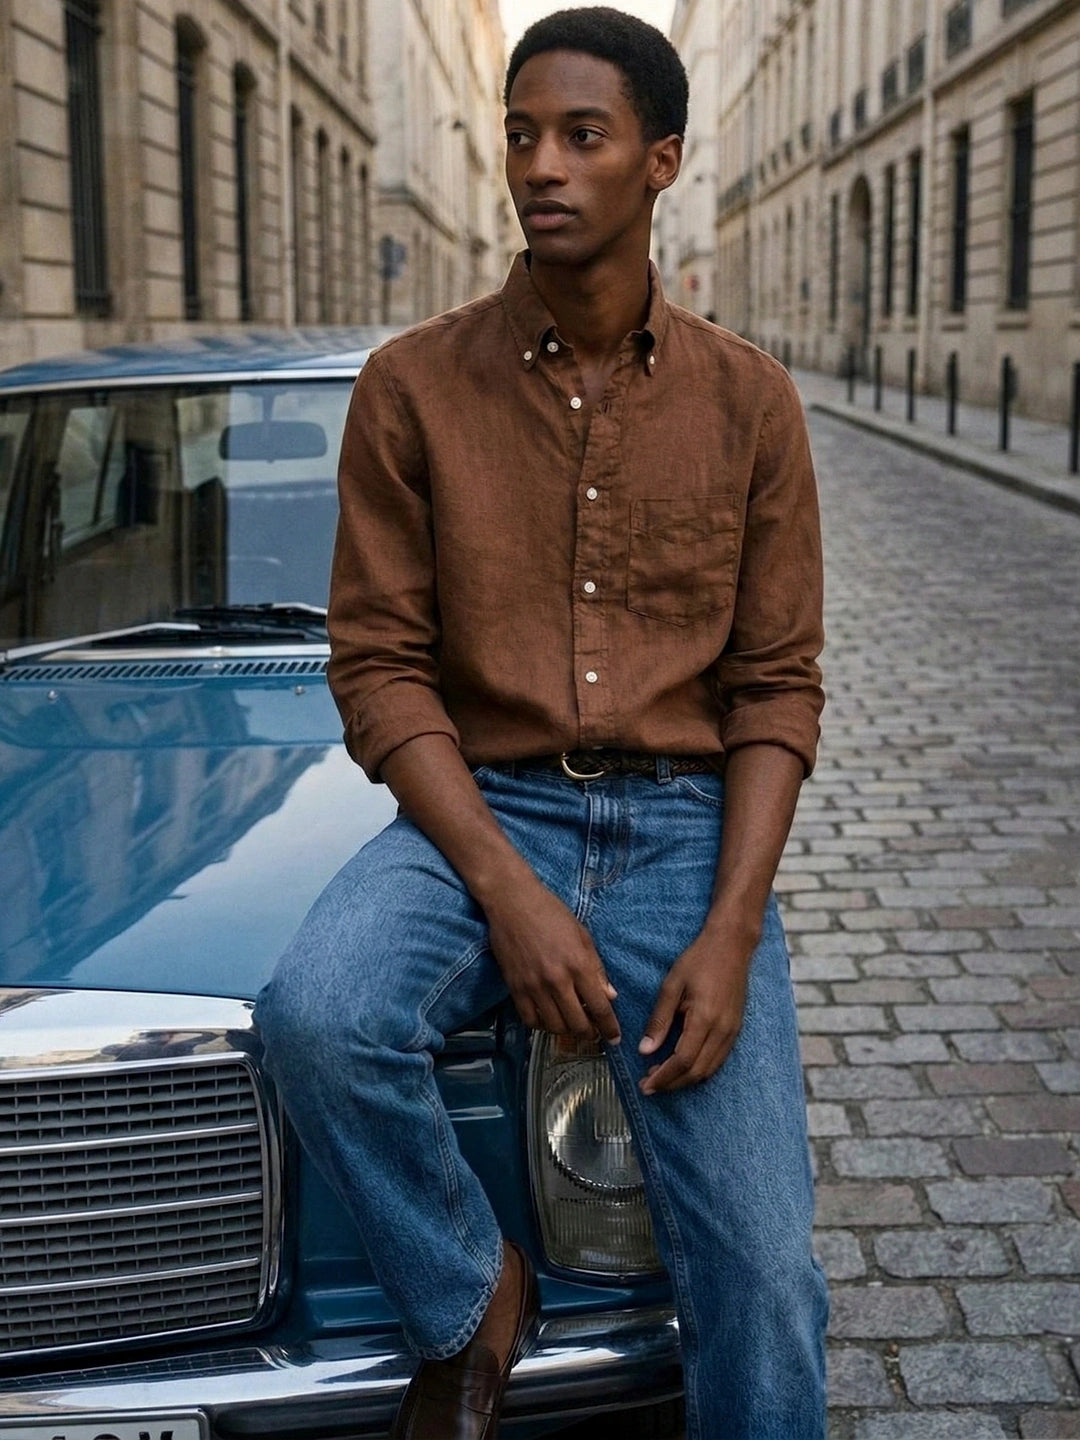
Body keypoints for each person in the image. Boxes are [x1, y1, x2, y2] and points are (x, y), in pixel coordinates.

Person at [255, 8, 829, 1438]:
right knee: (316, 1014)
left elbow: (775, 685)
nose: (540, 166)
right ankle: (472, 1295)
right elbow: (381, 667)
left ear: (662, 160)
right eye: (521, 134)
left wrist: (732, 929)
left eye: (583, 135)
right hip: (482, 811)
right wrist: (506, 892)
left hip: (684, 831)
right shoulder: (411, 387)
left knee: (766, 1277)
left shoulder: (751, 403)